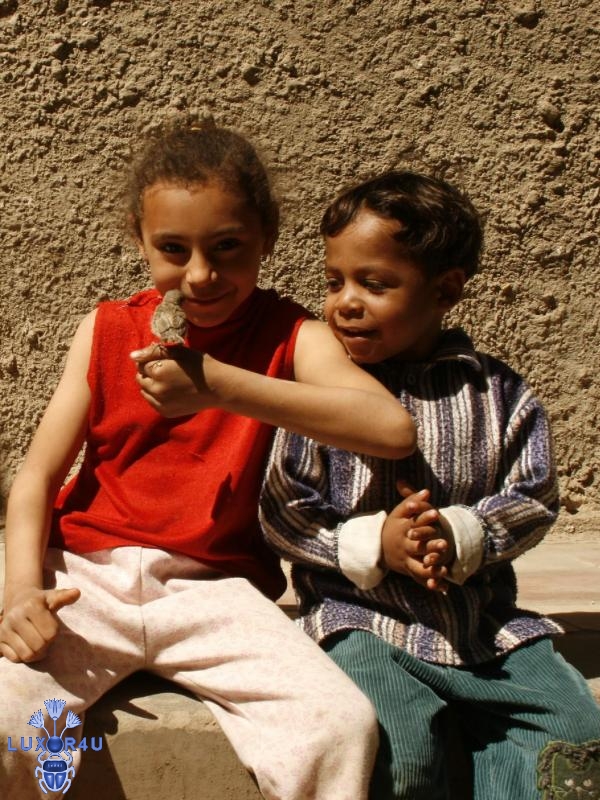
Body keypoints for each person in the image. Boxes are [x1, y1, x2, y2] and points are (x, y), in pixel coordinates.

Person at [0, 120, 419, 800]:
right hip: (83, 581)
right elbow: (37, 478)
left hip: (214, 592)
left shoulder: (291, 334)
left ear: (267, 241)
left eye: (228, 248)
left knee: (337, 726)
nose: (201, 274)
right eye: (174, 249)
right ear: (140, 240)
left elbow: (391, 428)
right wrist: (21, 589)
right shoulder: (106, 327)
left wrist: (218, 383)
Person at [260, 170, 600, 800]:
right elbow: (286, 510)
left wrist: (460, 531)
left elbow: (535, 495)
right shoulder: (322, 397)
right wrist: (375, 546)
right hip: (360, 624)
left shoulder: (498, 395)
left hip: (481, 626)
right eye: (335, 281)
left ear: (445, 290)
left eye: (375, 283)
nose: (344, 302)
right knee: (397, 750)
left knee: (572, 739)